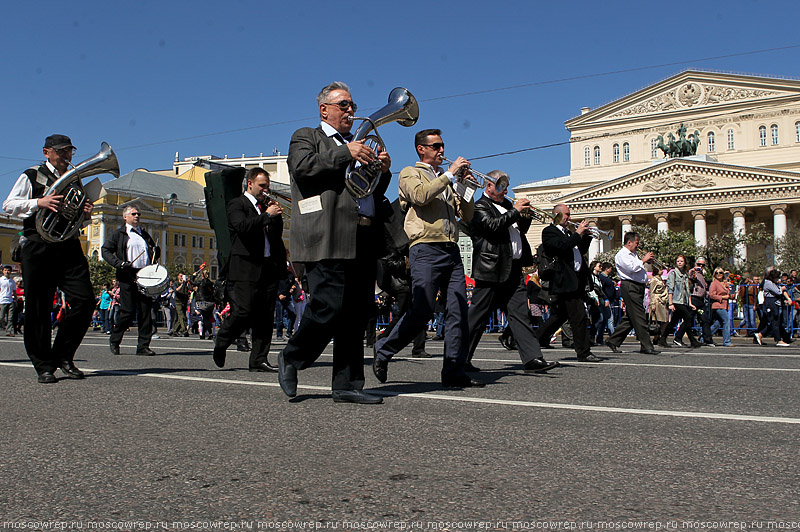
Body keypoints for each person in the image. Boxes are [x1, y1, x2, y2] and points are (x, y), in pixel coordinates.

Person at [278, 82, 391, 404]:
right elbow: (302, 168)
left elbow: (368, 189)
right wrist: (346, 152)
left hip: (361, 235)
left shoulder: (356, 144)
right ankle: (293, 356)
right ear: (324, 109)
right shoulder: (307, 136)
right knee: (328, 305)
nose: (351, 111)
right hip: (325, 236)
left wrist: (381, 170)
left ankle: (348, 384)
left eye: (352, 105)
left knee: (355, 314)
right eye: (344, 105)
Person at [372, 128, 483, 388]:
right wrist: (450, 174)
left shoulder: (445, 180)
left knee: (458, 312)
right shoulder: (410, 173)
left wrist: (467, 188)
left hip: (450, 249)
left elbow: (466, 215)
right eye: (436, 146)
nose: (441, 151)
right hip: (425, 248)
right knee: (422, 310)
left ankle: (454, 372)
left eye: (442, 145)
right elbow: (420, 196)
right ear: (421, 149)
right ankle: (384, 349)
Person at [2, 134, 95, 383]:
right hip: (38, 245)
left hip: (67, 246)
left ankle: (64, 355)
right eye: (62, 151)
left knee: (85, 300)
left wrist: (86, 212)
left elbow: (75, 214)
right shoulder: (32, 175)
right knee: (38, 308)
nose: (67, 156)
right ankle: (43, 364)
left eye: (70, 151)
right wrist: (39, 202)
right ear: (47, 152)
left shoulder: (74, 178)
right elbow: (9, 205)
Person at [464, 170, 557, 373]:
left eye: (506, 186)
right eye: (500, 186)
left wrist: (526, 214)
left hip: (513, 268)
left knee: (520, 314)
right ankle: (460, 359)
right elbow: (492, 226)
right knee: (477, 317)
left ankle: (532, 359)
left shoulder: (507, 206)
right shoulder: (480, 207)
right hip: (491, 269)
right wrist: (515, 211)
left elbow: (518, 230)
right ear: (488, 186)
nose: (506, 190)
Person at [212, 167, 285, 371]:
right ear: (250, 183)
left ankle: (259, 359)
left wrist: (275, 215)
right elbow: (243, 227)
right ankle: (223, 339)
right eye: (262, 186)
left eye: (267, 187)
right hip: (245, 267)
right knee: (243, 311)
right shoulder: (237, 204)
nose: (265, 190)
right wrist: (266, 216)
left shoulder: (265, 207)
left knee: (265, 316)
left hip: (268, 266)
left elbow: (274, 234)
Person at [535, 204, 601, 362]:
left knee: (559, 316)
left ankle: (538, 339)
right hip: (564, 281)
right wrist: (578, 234)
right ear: (557, 215)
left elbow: (579, 249)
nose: (569, 218)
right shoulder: (549, 231)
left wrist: (587, 235)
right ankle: (584, 352)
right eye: (566, 215)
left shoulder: (569, 233)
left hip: (576, 280)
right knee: (579, 317)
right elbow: (562, 247)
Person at [102, 204, 161, 356]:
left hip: (144, 275)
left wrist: (156, 252)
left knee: (145, 312)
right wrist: (119, 263)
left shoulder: (144, 234)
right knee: (127, 312)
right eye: (134, 214)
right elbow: (105, 250)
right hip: (128, 275)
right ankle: (115, 340)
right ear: (125, 217)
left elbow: (152, 254)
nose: (137, 216)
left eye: (138, 214)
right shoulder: (119, 234)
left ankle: (143, 346)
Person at [603, 231, 659, 355]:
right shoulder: (622, 255)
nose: (638, 246)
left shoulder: (634, 255)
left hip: (638, 286)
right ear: (629, 242)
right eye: (636, 243)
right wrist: (643, 260)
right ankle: (646, 346)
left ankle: (613, 340)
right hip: (630, 286)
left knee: (630, 317)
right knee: (639, 316)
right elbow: (631, 268)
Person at [666, 254, 702, 348]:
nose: (679, 263)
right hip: (676, 301)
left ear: (685, 262)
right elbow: (670, 289)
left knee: (673, 321)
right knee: (688, 318)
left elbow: (687, 291)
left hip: (683, 301)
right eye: (678, 261)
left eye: (681, 261)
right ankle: (692, 341)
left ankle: (663, 339)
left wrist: (690, 303)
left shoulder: (685, 275)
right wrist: (670, 303)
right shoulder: (673, 274)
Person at [761, 269, 792, 346]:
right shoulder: (768, 283)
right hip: (771, 303)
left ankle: (760, 334)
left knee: (776, 321)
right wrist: (783, 288)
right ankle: (778, 340)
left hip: (775, 303)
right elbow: (778, 291)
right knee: (774, 321)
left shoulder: (773, 283)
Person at [689, 257, 715, 346]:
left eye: (702, 265)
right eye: (699, 265)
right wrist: (693, 270)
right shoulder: (694, 273)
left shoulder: (702, 275)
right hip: (694, 299)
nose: (700, 267)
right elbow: (690, 276)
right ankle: (678, 337)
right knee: (689, 319)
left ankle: (708, 339)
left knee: (704, 319)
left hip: (701, 300)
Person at [708, 268, 733, 346]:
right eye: (717, 273)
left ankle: (704, 337)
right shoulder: (714, 283)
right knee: (726, 321)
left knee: (717, 324)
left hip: (725, 305)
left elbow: (730, 295)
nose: (719, 274)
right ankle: (726, 341)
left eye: (721, 272)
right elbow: (711, 295)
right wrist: (722, 297)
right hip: (718, 305)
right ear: (714, 274)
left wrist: (731, 294)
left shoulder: (725, 284)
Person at [648, 266, 670, 348]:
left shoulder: (660, 279)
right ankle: (656, 337)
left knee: (665, 320)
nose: (662, 271)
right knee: (657, 320)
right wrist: (652, 304)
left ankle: (660, 337)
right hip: (657, 302)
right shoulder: (654, 280)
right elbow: (652, 292)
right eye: (661, 269)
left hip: (663, 301)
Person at [0, 265, 18, 336]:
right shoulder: (1, 280)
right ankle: (3, 327)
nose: (7, 272)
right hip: (2, 300)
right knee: (1, 317)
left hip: (10, 300)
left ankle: (9, 331)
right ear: (3, 271)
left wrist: (15, 300)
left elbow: (14, 291)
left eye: (8, 270)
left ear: (10, 271)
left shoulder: (12, 281)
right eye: (5, 270)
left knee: (10, 318)